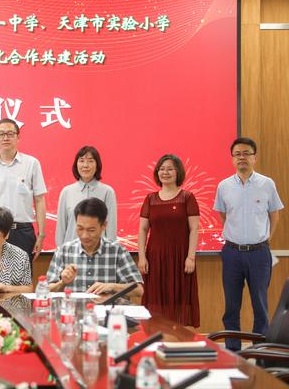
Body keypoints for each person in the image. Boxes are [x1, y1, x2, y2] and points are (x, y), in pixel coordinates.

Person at [214, 137, 283, 351]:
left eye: (246, 153)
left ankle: (260, 352)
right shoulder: (223, 186)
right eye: (237, 154)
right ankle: (233, 351)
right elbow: (223, 216)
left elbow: (275, 215)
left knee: (260, 306)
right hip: (232, 253)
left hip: (259, 253)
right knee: (231, 307)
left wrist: (265, 239)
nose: (241, 157)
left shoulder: (267, 184)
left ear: (254, 157)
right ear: (232, 158)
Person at [0, 118, 47, 267]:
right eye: (1, 134)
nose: (6, 138)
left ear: (18, 137)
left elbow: (39, 200)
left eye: (10, 134)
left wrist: (41, 235)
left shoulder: (31, 163)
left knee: (22, 276)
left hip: (22, 232)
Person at [137, 154, 200, 327]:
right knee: (156, 300)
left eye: (170, 169)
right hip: (155, 258)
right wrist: (142, 257)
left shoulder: (187, 197)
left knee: (179, 300)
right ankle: (157, 336)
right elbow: (143, 229)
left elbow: (194, 229)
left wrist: (191, 257)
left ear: (178, 172)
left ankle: (178, 337)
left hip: (180, 258)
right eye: (162, 169)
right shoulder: (150, 199)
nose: (165, 172)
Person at [47, 198, 143, 296]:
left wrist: (112, 286)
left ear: (104, 225)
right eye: (80, 228)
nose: (84, 236)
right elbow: (47, 290)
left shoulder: (117, 251)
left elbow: (138, 290)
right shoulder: (64, 251)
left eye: (91, 230)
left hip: (106, 306)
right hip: (73, 306)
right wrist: (63, 282)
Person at [55, 146, 117, 247]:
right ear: (76, 164)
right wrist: (61, 252)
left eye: (90, 161)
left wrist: (110, 251)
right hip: (72, 252)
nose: (85, 165)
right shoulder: (66, 192)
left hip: (99, 252)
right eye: (81, 161)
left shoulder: (107, 192)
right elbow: (61, 229)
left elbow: (111, 229)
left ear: (97, 165)